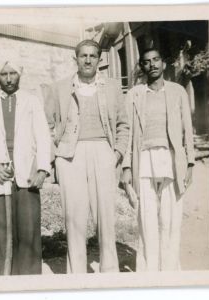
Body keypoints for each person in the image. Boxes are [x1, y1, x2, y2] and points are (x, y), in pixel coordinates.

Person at [44, 39, 129, 273]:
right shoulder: (59, 88)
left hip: (103, 152)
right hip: (70, 156)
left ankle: (109, 272)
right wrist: (56, 157)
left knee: (106, 219)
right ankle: (77, 276)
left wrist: (117, 153)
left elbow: (123, 125)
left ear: (100, 60)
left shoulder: (111, 87)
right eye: (83, 56)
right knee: (74, 218)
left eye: (93, 56)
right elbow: (46, 124)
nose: (88, 60)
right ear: (76, 59)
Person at [121, 47, 195, 271]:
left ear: (163, 63)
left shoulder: (178, 91)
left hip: (171, 160)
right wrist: (126, 166)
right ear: (141, 67)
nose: (152, 64)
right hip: (143, 160)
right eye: (146, 61)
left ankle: (170, 269)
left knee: (170, 218)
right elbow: (127, 131)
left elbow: (187, 130)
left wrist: (190, 162)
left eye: (156, 60)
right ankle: (149, 270)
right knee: (147, 217)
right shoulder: (134, 94)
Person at [0, 54, 51, 275]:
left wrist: (42, 169)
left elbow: (42, 136)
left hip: (27, 173)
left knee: (28, 232)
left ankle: (29, 283)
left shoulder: (31, 101)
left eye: (13, 74)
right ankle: (7, 282)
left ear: (19, 75)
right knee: (4, 233)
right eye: (4, 74)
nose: (9, 79)